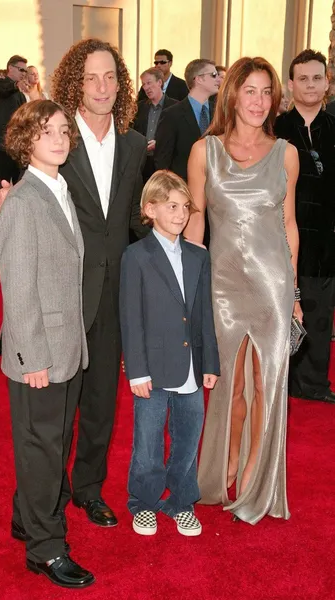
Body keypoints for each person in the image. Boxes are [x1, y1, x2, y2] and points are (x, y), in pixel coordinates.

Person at [0, 39, 148, 529]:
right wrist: (4, 196)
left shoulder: (136, 144)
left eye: (109, 77)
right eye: (90, 77)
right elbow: (27, 190)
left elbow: (135, 220)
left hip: (113, 292)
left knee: (101, 404)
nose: (101, 87)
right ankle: (42, 501)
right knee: (52, 416)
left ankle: (88, 489)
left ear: (120, 84)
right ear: (75, 82)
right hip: (60, 297)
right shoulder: (57, 137)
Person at [185, 56, 301, 524]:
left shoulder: (285, 153)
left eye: (266, 92)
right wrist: (186, 292)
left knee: (265, 383)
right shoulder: (204, 151)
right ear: (231, 93)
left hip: (273, 283)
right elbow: (195, 223)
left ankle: (254, 476)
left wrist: (293, 296)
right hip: (223, 284)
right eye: (250, 90)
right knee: (229, 385)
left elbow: (289, 225)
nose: (259, 100)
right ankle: (225, 464)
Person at [0, 99, 94, 589]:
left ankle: (26, 515)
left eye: (62, 130)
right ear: (25, 141)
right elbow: (16, 286)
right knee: (43, 448)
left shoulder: (60, 189)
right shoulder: (23, 201)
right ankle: (45, 548)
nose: (59, 138)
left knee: (53, 444)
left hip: (68, 344)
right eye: (46, 131)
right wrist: (31, 356)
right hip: (39, 351)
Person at [120, 170, 219, 537]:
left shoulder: (197, 256)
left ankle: (180, 501)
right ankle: (143, 503)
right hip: (152, 368)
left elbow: (204, 313)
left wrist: (210, 361)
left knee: (188, 437)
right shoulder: (136, 256)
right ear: (150, 209)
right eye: (171, 206)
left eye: (185, 207)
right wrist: (136, 371)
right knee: (147, 440)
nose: (180, 214)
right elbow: (131, 317)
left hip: (192, 367)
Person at [275, 49, 335, 404]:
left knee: (321, 312)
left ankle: (313, 384)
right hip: (282, 236)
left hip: (328, 241)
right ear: (291, 84)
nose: (310, 85)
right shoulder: (276, 130)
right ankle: (282, 380)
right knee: (283, 310)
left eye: (317, 77)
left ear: (326, 82)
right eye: (303, 78)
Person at [154, 58, 219, 181]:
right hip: (184, 189)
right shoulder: (172, 115)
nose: (218, 79)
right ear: (198, 79)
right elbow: (162, 161)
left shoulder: (219, 113)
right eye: (213, 75)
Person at [132, 67, 177, 182]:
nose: (146, 87)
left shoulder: (175, 107)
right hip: (142, 162)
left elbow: (178, 136)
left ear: (159, 82)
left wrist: (160, 143)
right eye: (143, 84)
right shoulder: (139, 108)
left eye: (149, 83)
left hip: (165, 164)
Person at [0, 54, 29, 183]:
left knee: (19, 184)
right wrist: (17, 85)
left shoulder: (20, 93)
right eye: (21, 70)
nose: (24, 74)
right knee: (2, 184)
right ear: (10, 68)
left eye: (26, 71)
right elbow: (4, 89)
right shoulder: (0, 84)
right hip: (3, 146)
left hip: (17, 146)